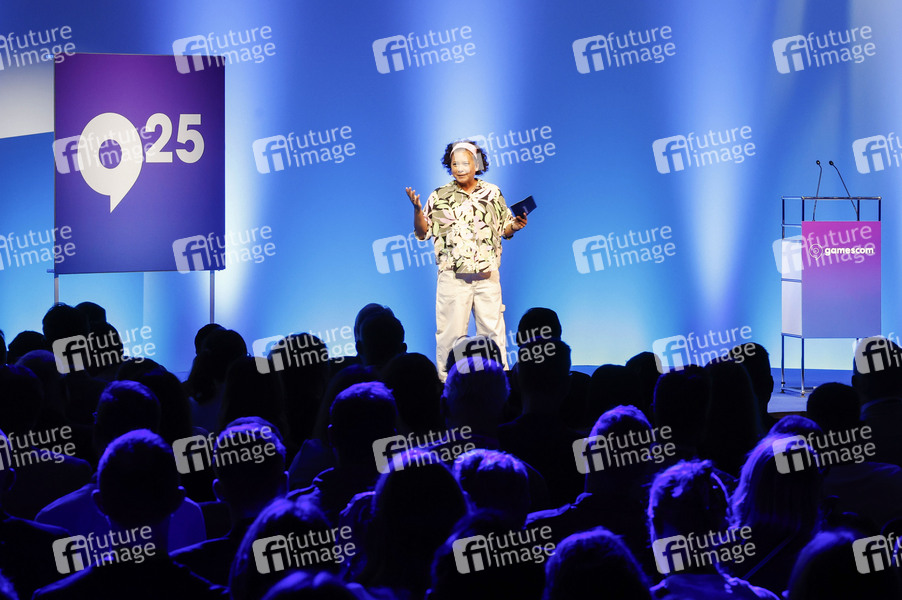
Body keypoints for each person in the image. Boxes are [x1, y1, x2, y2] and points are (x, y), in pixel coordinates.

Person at [406, 139, 527, 381]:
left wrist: (515, 225)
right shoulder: (439, 195)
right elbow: (422, 232)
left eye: (465, 163)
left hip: (487, 276)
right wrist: (418, 210)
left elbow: (504, 227)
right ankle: (446, 386)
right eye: (454, 164)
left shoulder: (492, 192)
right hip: (453, 277)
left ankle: (498, 385)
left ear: (477, 164)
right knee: (449, 336)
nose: (459, 168)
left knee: (493, 335)